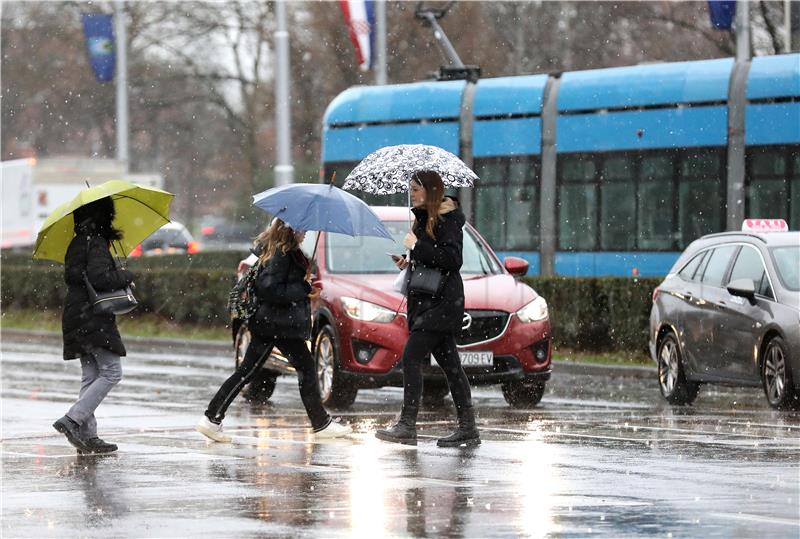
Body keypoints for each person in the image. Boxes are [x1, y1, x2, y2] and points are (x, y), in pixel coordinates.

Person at [196, 218, 352, 442]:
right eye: (302, 229)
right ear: (290, 230)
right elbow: (270, 288)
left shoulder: (282, 251)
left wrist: (303, 284)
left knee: (248, 372)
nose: (306, 232)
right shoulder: (282, 253)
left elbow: (276, 285)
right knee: (305, 368)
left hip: (272, 323)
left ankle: (211, 418)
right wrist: (303, 287)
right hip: (278, 324)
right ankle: (321, 424)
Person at [376, 170, 480, 447]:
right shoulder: (424, 219)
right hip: (429, 301)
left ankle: (407, 425)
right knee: (452, 366)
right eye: (410, 188)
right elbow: (431, 259)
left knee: (411, 358)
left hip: (441, 303)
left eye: (415, 188)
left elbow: (451, 259)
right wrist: (408, 261)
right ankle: (468, 428)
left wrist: (417, 245)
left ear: (430, 191)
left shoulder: (447, 220)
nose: (411, 193)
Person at [53, 196, 134, 454]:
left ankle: (88, 437)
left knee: (91, 375)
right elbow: (100, 278)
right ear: (104, 215)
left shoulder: (77, 242)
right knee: (112, 371)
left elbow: (76, 277)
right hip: (93, 317)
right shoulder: (96, 243)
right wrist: (126, 275)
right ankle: (73, 419)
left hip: (76, 314)